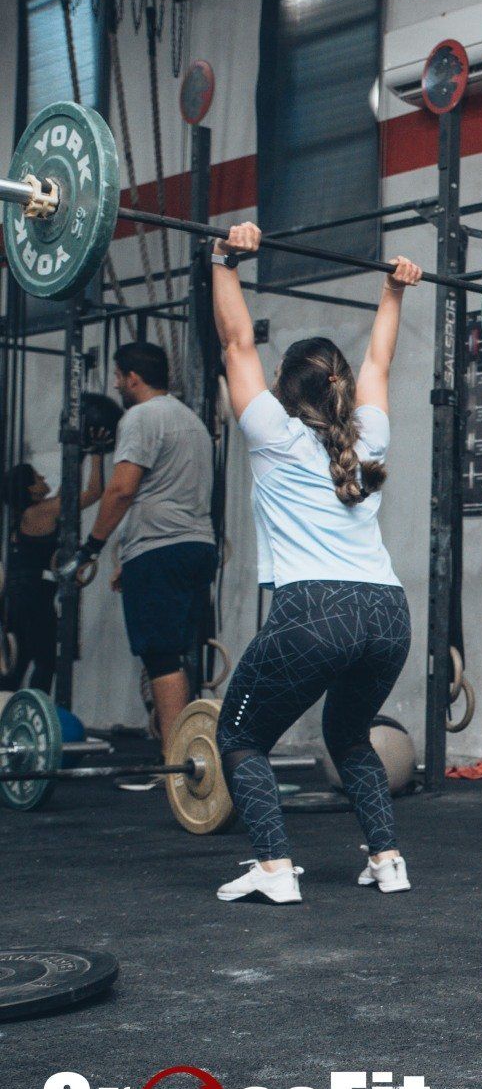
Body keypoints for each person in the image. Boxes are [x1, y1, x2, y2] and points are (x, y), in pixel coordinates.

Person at [208, 222, 419, 905]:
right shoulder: (370, 434)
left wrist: (224, 261)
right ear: (340, 387)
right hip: (387, 612)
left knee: (240, 733)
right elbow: (380, 362)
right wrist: (393, 291)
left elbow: (236, 343)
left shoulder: (271, 433)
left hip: (315, 610)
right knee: (348, 732)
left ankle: (274, 867)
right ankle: (387, 860)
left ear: (283, 388)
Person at [67, 341, 217, 783]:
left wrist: (91, 548)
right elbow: (168, 490)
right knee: (176, 653)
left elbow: (122, 489)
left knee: (160, 656)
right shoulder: (192, 421)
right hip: (194, 547)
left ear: (133, 377)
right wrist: (129, 561)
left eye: (118, 376)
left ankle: (176, 768)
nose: (116, 384)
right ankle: (188, 759)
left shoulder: (140, 417)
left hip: (161, 549)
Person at [3, 450, 106, 692]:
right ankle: (37, 712)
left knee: (17, 666)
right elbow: (94, 492)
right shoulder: (42, 511)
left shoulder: (28, 514)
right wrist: (97, 454)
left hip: (17, 600)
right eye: (38, 478)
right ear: (31, 489)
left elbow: (64, 498)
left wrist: (77, 458)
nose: (44, 479)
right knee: (46, 662)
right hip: (34, 599)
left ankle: (8, 711)